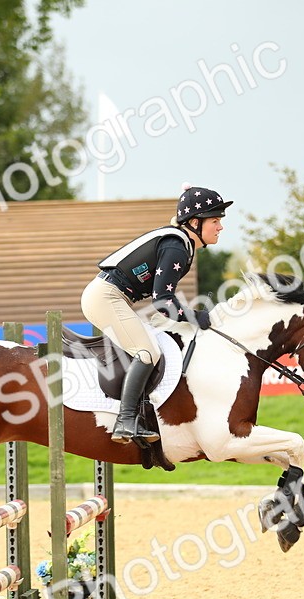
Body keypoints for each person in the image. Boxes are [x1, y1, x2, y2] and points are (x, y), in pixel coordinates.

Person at [81, 184, 231, 444]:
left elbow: (161, 304)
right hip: (105, 296)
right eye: (215, 220)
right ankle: (126, 421)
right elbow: (163, 301)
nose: (220, 227)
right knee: (148, 351)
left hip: (113, 296)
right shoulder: (177, 246)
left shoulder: (180, 243)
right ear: (195, 222)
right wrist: (197, 317)